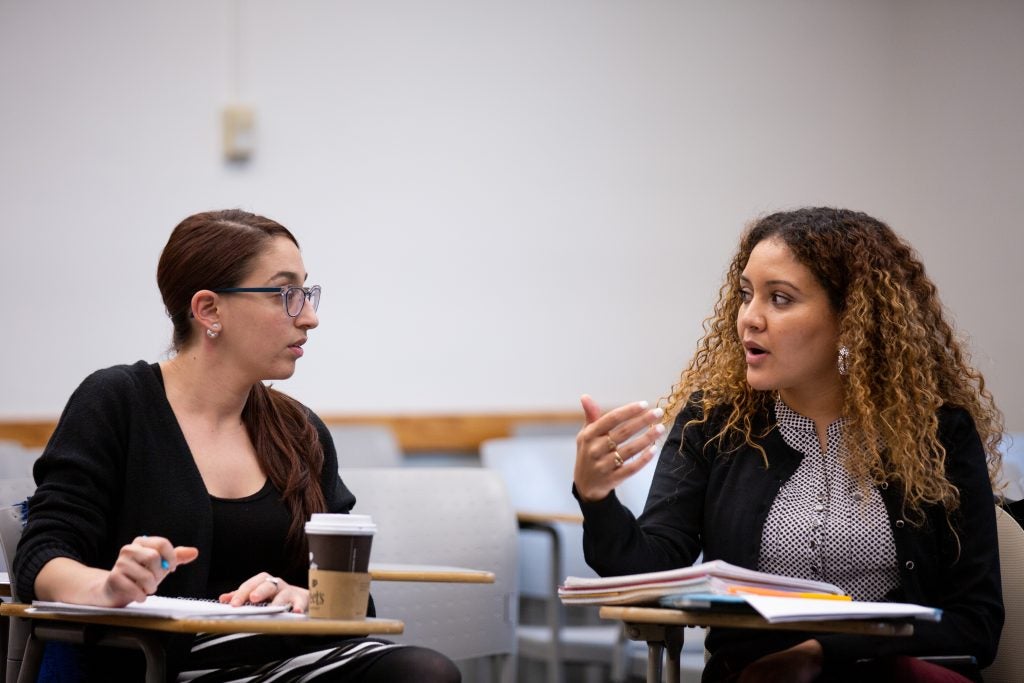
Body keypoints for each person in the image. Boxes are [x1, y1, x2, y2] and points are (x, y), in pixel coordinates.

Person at [14, 210, 461, 682]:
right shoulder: (117, 402)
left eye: (306, 292)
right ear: (209, 310)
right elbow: (42, 555)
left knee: (424, 671)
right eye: (285, 294)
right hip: (166, 663)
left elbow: (349, 593)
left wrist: (305, 595)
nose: (309, 317)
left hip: (292, 656)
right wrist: (108, 587)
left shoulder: (298, 429)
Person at [573, 207, 1004, 682]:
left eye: (780, 298)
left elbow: (975, 624)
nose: (749, 319)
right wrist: (596, 497)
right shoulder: (713, 422)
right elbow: (648, 572)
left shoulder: (938, 432)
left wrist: (822, 654)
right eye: (745, 295)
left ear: (852, 321)